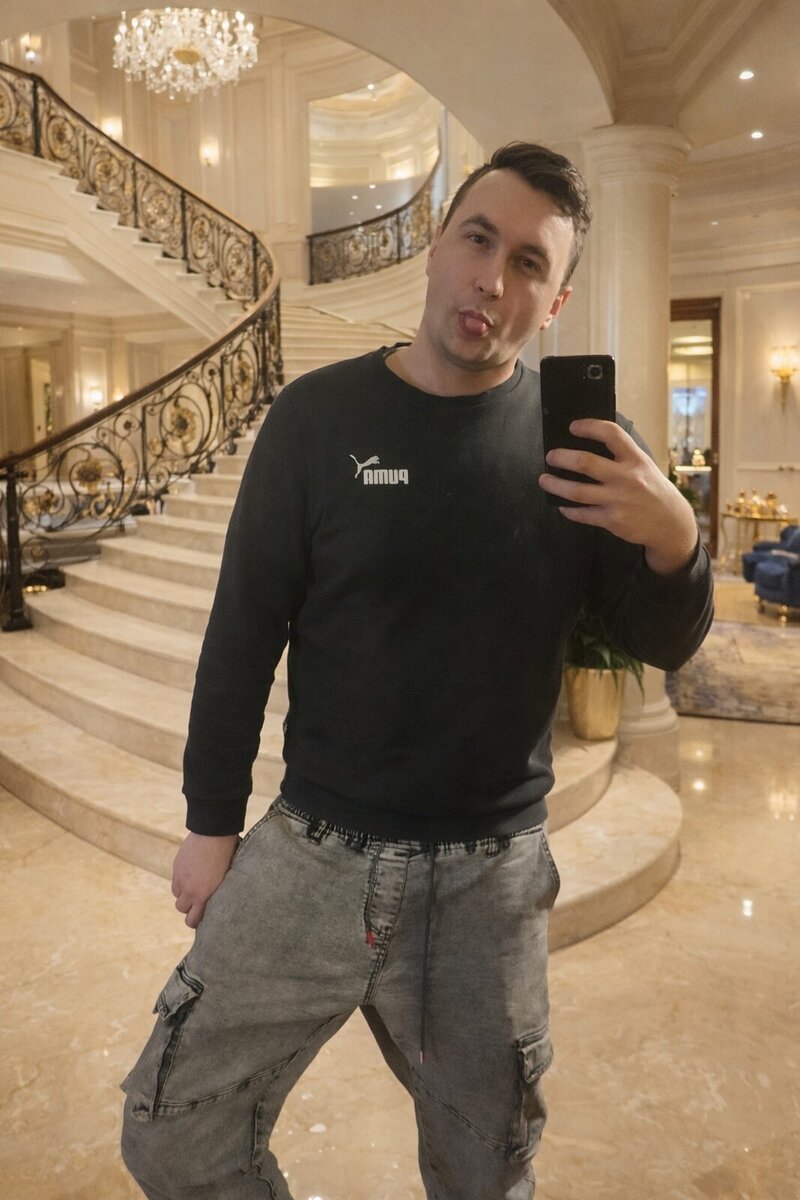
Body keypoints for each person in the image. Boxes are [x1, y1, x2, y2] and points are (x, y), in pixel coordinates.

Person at [121, 142, 713, 1199]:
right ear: (435, 246)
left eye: (527, 263)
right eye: (477, 240)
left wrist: (676, 540)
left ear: (554, 301)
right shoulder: (315, 419)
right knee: (171, 1132)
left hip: (489, 879)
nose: (491, 278)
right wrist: (211, 823)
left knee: (486, 1172)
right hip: (313, 849)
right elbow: (243, 629)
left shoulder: (582, 445)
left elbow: (660, 642)